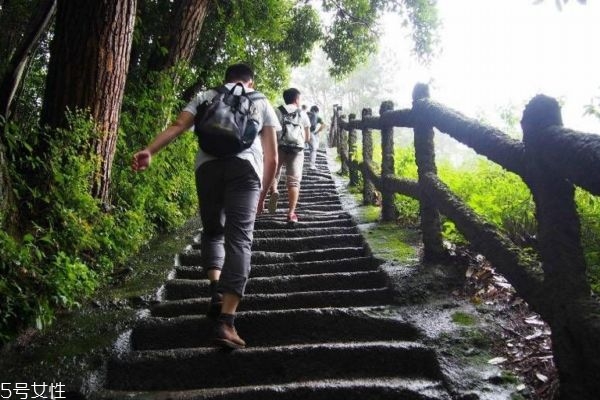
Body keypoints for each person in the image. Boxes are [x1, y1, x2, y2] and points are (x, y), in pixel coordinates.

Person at [131, 63, 280, 349]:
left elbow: (178, 125)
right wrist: (262, 194)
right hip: (246, 171)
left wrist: (149, 150)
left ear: (226, 79)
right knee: (240, 240)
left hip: (208, 169)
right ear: (251, 81)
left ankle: (215, 290)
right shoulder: (260, 101)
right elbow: (272, 158)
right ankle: (226, 322)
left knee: (213, 232)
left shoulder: (207, 96)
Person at [267, 88, 311, 223]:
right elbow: (307, 137)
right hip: (296, 150)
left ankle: (274, 190)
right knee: (293, 180)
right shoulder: (303, 114)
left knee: (274, 172)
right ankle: (291, 213)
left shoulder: (277, 111)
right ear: (297, 99)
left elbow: (272, 132)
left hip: (279, 146)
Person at [307, 105, 324, 170]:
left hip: (302, 133)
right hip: (311, 133)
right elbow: (324, 125)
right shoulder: (317, 116)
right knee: (313, 149)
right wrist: (317, 132)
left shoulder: (306, 114)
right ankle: (312, 165)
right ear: (317, 111)